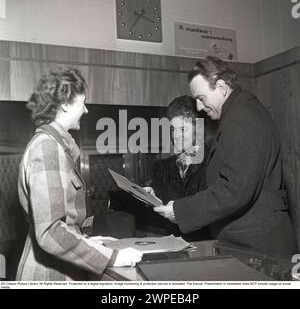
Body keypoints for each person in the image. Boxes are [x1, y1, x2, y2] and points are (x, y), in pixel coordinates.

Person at [153, 56, 297, 259]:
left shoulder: (242, 117)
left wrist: (181, 210)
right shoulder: (239, 113)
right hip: (251, 241)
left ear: (221, 87)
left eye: (201, 98)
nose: (200, 107)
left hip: (259, 247)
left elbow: (234, 190)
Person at [17, 68, 142, 281]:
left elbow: (59, 224)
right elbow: (50, 231)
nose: (86, 110)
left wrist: (87, 242)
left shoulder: (56, 146)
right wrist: (110, 258)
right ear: (65, 104)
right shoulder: (47, 148)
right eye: (82, 102)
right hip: (49, 275)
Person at [144, 95, 211, 240]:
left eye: (182, 129)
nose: (176, 136)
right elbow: (160, 219)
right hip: (174, 248)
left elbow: (214, 207)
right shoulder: (163, 167)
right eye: (173, 129)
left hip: (204, 247)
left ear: (198, 130)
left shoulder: (213, 160)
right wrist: (153, 197)